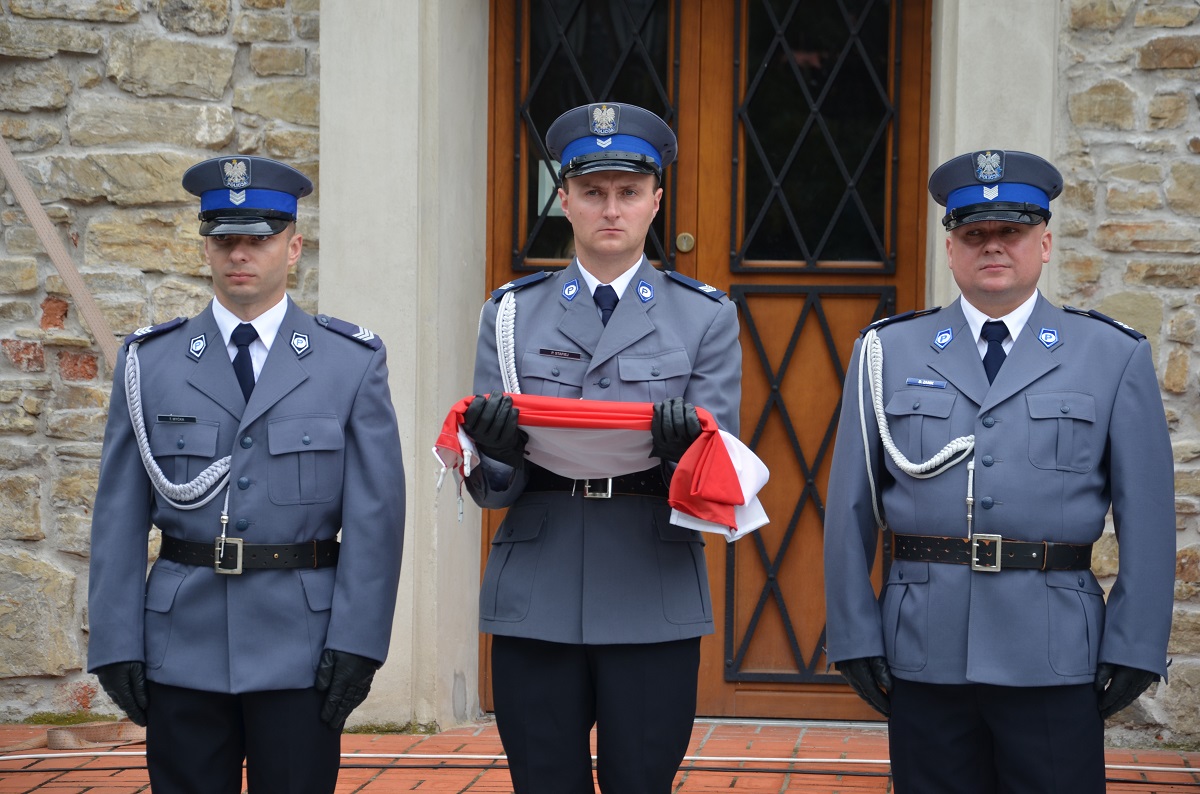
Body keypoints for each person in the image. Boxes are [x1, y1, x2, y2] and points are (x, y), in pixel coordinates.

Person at [822, 149, 1176, 792]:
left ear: (1043, 243)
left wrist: (1135, 642)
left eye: (1009, 232)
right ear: (950, 248)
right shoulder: (886, 352)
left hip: (1054, 651)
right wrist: (853, 633)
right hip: (925, 646)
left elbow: (1146, 514)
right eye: (974, 234)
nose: (993, 247)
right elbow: (850, 504)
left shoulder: (1110, 354)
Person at [86, 155, 406, 794]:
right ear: (206, 246)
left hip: (302, 647)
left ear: (293, 248)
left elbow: (377, 518)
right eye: (225, 239)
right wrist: (116, 640)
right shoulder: (151, 362)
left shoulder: (350, 363)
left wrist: (360, 641)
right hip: (183, 639)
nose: (241, 254)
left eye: (259, 239)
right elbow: (118, 513)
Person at [461, 102, 741, 793]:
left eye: (627, 192)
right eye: (592, 192)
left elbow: (718, 475)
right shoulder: (511, 313)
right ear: (565, 200)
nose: (610, 209)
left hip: (651, 582)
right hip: (538, 587)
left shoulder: (705, 316)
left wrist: (683, 454)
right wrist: (496, 454)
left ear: (656, 201)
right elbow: (491, 487)